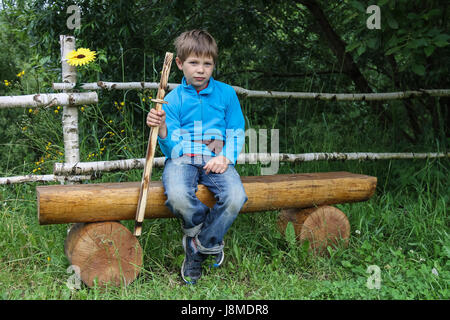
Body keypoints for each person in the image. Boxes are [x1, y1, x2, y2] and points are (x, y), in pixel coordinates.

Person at [146, 29, 248, 284]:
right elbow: (170, 149)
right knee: (179, 196)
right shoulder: (172, 99)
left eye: (207, 63)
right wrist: (163, 129)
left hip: (217, 157)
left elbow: (236, 130)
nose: (200, 69)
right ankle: (204, 236)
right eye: (193, 63)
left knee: (236, 197)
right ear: (180, 64)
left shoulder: (226, 94)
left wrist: (225, 157)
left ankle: (198, 246)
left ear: (213, 65)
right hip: (182, 158)